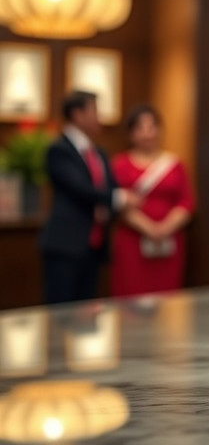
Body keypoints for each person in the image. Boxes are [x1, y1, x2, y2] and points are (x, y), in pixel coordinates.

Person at [39, 91, 138, 304]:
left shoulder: (99, 153)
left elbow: (110, 186)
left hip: (93, 246)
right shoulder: (58, 150)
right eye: (95, 110)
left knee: (86, 313)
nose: (99, 117)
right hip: (66, 245)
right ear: (77, 114)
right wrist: (119, 198)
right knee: (61, 312)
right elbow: (79, 189)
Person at [110, 105, 195, 296]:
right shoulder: (119, 165)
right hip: (132, 242)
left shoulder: (175, 164)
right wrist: (149, 228)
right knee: (131, 297)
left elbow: (186, 201)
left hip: (169, 241)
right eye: (140, 128)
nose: (147, 134)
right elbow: (116, 202)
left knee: (166, 299)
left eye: (151, 127)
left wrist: (164, 228)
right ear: (131, 133)